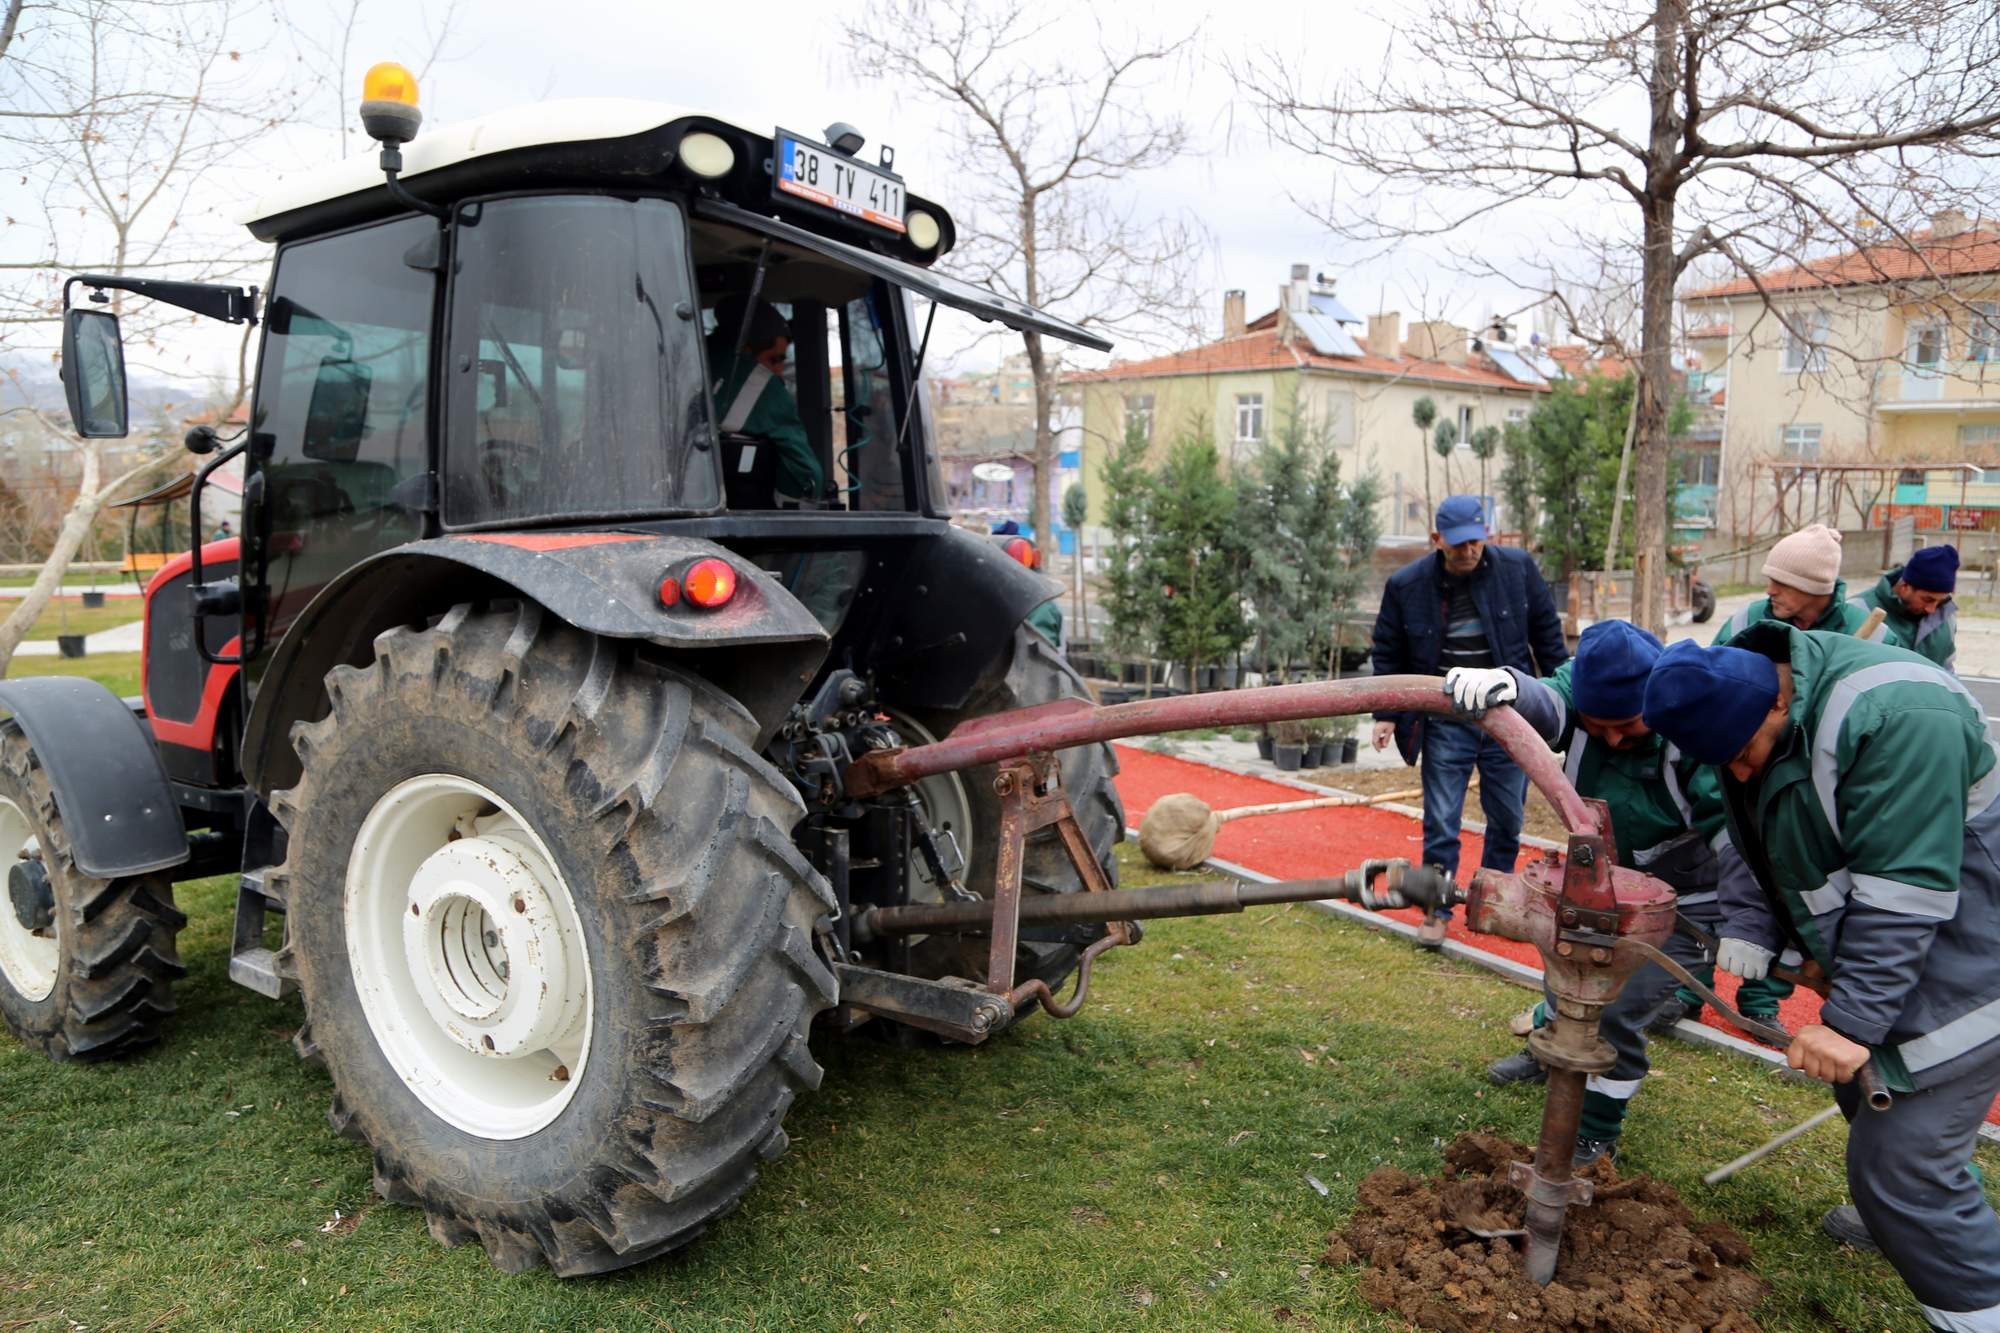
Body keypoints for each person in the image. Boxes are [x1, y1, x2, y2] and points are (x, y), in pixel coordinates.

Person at [1642, 626, 2000, 1331]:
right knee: (1869, 1102)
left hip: (1974, 956)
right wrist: (1750, 921)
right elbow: (1756, 826)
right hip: (1907, 949)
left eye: (1744, 754)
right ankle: (1907, 1212)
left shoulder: (1898, 714)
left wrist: (1852, 1021)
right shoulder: (1756, 710)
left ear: (1778, 703)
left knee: (1900, 1165)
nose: (1738, 772)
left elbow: (1904, 892)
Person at [1443, 621, 1728, 1167]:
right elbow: (1548, 701)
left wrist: (1746, 927)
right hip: (1609, 886)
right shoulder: (1581, 698)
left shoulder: (1692, 731)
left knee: (1615, 1010)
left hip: (1686, 909)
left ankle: (1596, 1131)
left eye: (1628, 726)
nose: (1616, 740)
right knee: (1569, 963)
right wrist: (1508, 685)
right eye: (1601, 728)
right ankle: (1549, 1046)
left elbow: (1734, 843)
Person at [1676, 520, 1879, 1026]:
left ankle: (1761, 1001)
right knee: (1735, 891)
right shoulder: (1750, 621)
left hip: (1816, 795)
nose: (1770, 590)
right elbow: (1714, 693)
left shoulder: (1867, 630)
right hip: (1749, 782)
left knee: (1796, 901)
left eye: (1783, 583)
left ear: (1818, 588)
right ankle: (1684, 990)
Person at [1370, 495, 1568, 948]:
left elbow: (1548, 639)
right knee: (1441, 820)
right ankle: (1436, 908)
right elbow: (1388, 651)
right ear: (1436, 540)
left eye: (1475, 541)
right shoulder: (1407, 585)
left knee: (1507, 817)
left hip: (1507, 718)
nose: (1468, 551)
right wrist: (1386, 714)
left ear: (1487, 534)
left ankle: (1492, 905)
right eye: (1457, 544)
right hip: (1445, 717)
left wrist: (1562, 704)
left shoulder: (1517, 570)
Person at [707, 298, 825, 504]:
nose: (779, 371)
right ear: (743, 352)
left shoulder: (681, 362)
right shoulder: (759, 385)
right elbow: (806, 479)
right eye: (773, 359)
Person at [1850, 543, 1958, 671]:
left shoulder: (1946, 618)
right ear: (1904, 586)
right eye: (1927, 599)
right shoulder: (1858, 609)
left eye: (1940, 602)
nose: (1932, 609)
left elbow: (1947, 672)